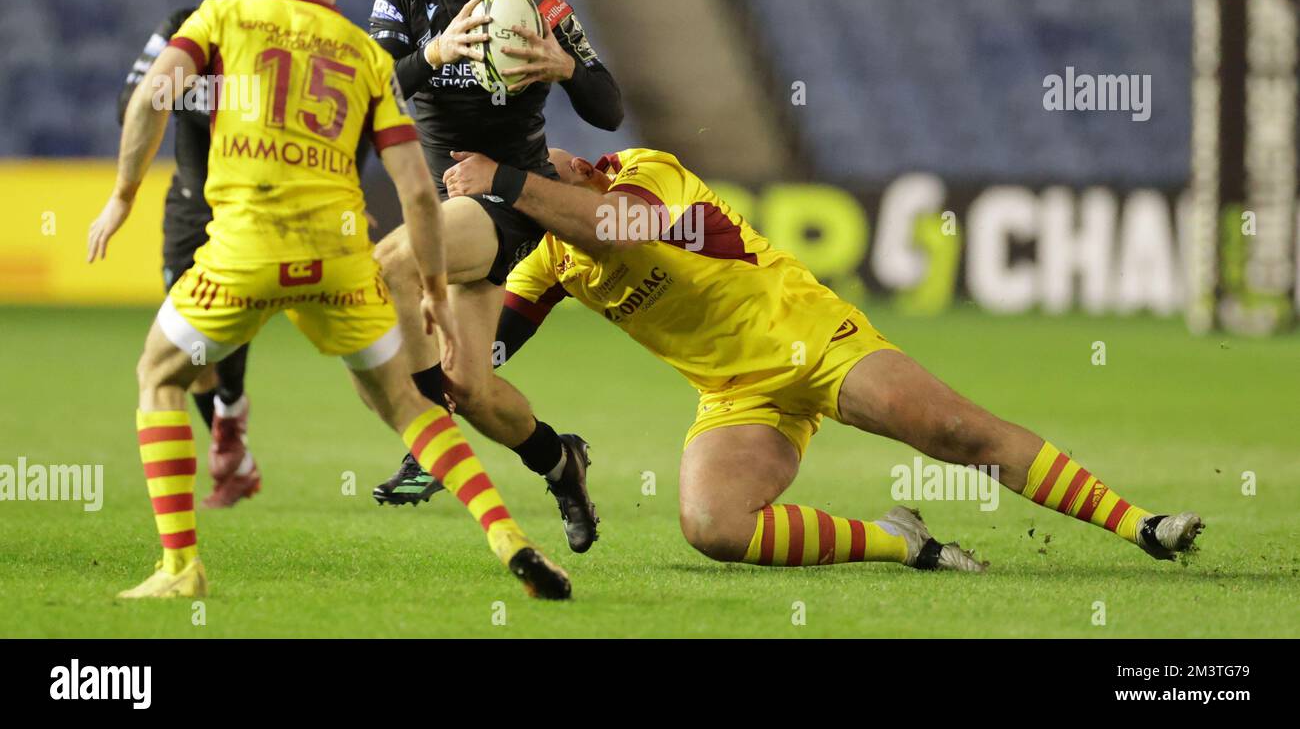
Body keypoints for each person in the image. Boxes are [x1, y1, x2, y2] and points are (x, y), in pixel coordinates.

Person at [406, 145, 1205, 571]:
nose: (545, 209)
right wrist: (447, 374)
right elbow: (494, 350)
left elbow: (629, 229)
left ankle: (1140, 525)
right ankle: (903, 542)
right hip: (735, 395)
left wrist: (506, 179)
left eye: (549, 185)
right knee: (712, 527)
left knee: (959, 434)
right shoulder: (547, 261)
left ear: (579, 170)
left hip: (816, 342)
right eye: (531, 205)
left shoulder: (642, 175)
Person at [87, 0, 569, 601]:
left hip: (244, 253)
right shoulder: (362, 56)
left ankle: (180, 567)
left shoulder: (221, 18)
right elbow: (414, 190)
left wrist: (125, 194)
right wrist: (433, 289)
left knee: (159, 375)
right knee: (406, 404)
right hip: (339, 258)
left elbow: (151, 99)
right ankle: (509, 537)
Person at [367, 0, 622, 554]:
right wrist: (434, 51)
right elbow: (368, 93)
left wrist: (566, 68)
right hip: (443, 205)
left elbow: (608, 107)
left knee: (391, 266)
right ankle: (559, 460)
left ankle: (427, 439)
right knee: (475, 389)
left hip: (507, 205)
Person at [116, 0, 274, 508]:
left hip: (253, 210)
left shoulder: (282, 41)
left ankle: (230, 427)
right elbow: (127, 103)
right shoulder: (185, 28)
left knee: (222, 329)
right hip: (190, 208)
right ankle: (234, 438)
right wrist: (182, 83)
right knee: (192, 347)